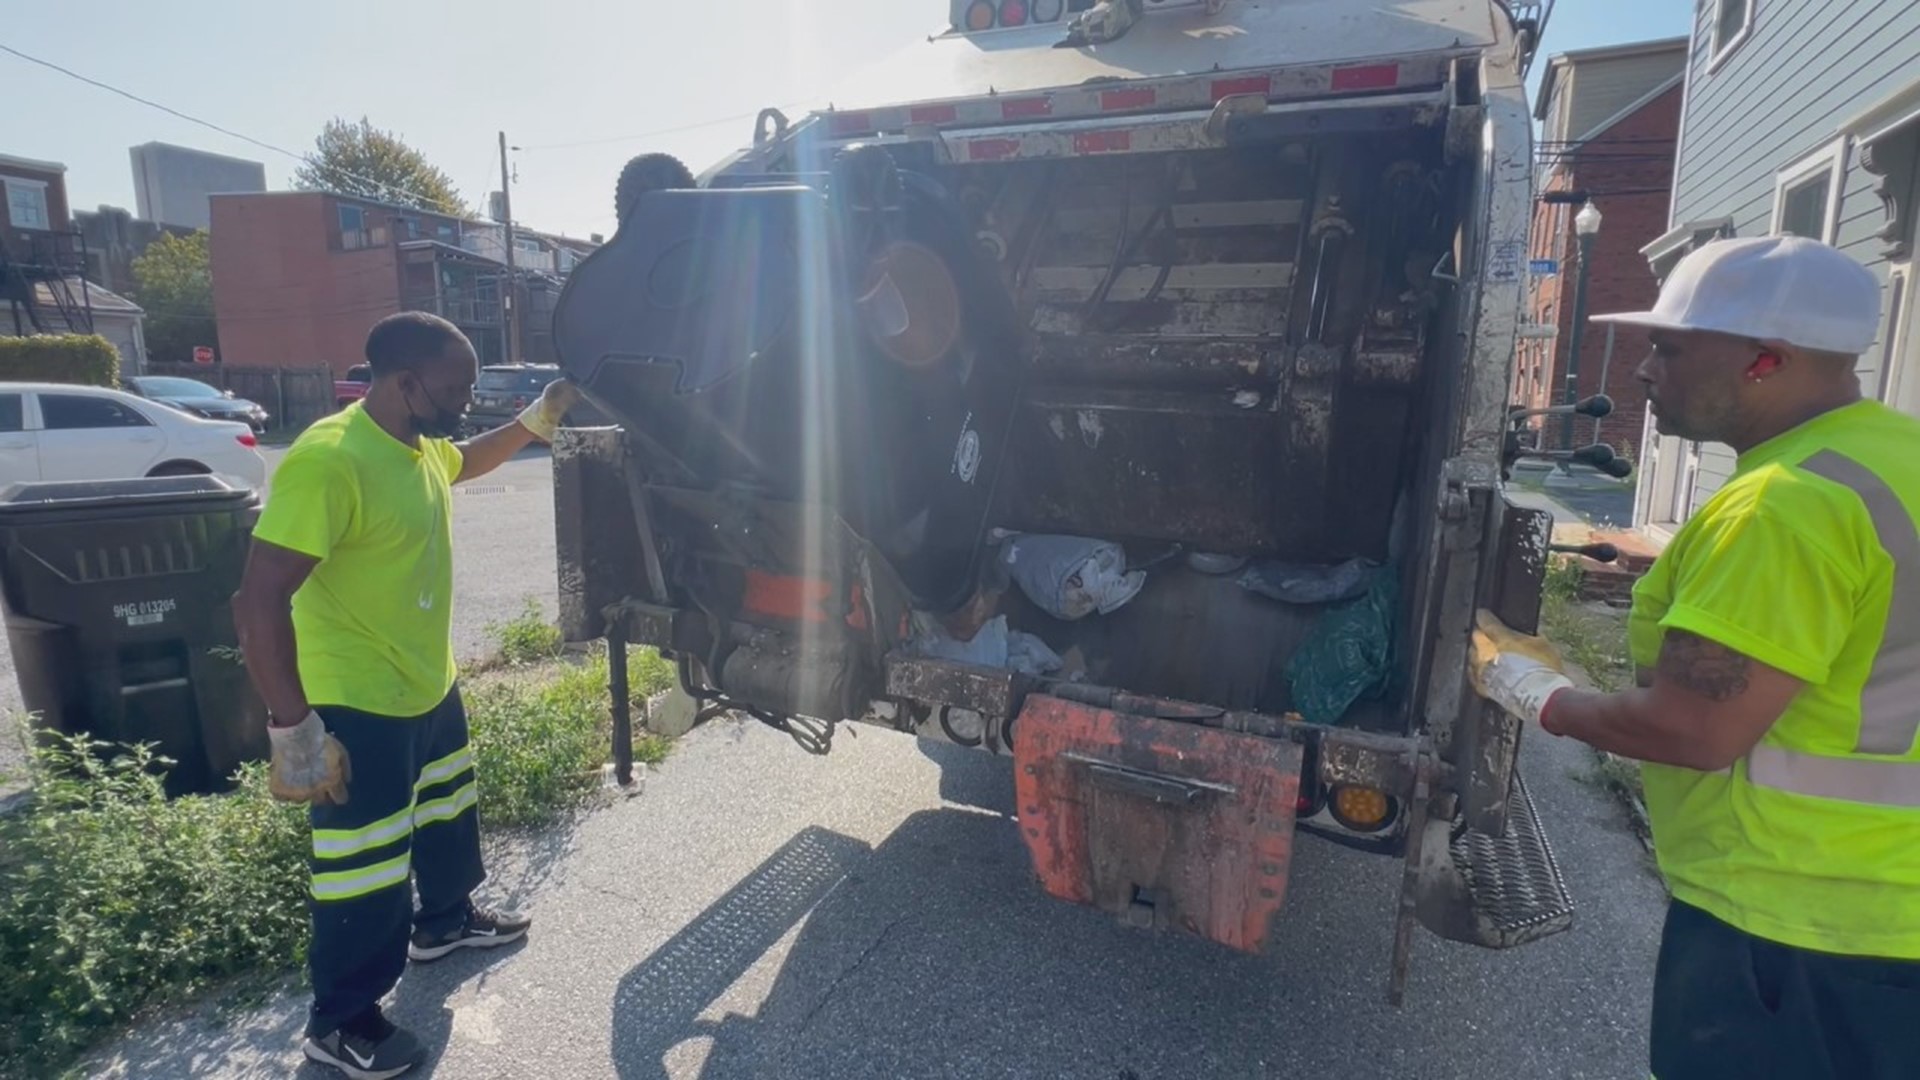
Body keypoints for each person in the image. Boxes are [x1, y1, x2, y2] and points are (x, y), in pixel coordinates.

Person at [1470, 235, 1920, 1080]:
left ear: (1764, 362)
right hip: (1888, 921)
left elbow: (1693, 731)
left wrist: (1528, 686)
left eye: (1669, 349)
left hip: (1789, 925)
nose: (1642, 370)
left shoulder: (1785, 507)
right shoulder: (1895, 460)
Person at [233, 312, 580, 1080]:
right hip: (358, 702)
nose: (466, 400)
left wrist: (536, 420)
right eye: (457, 389)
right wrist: (295, 729)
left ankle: (446, 922)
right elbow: (256, 603)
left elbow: (464, 461)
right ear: (405, 384)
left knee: (446, 812)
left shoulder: (415, 444)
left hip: (426, 683)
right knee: (363, 867)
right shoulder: (331, 461)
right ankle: (341, 1019)